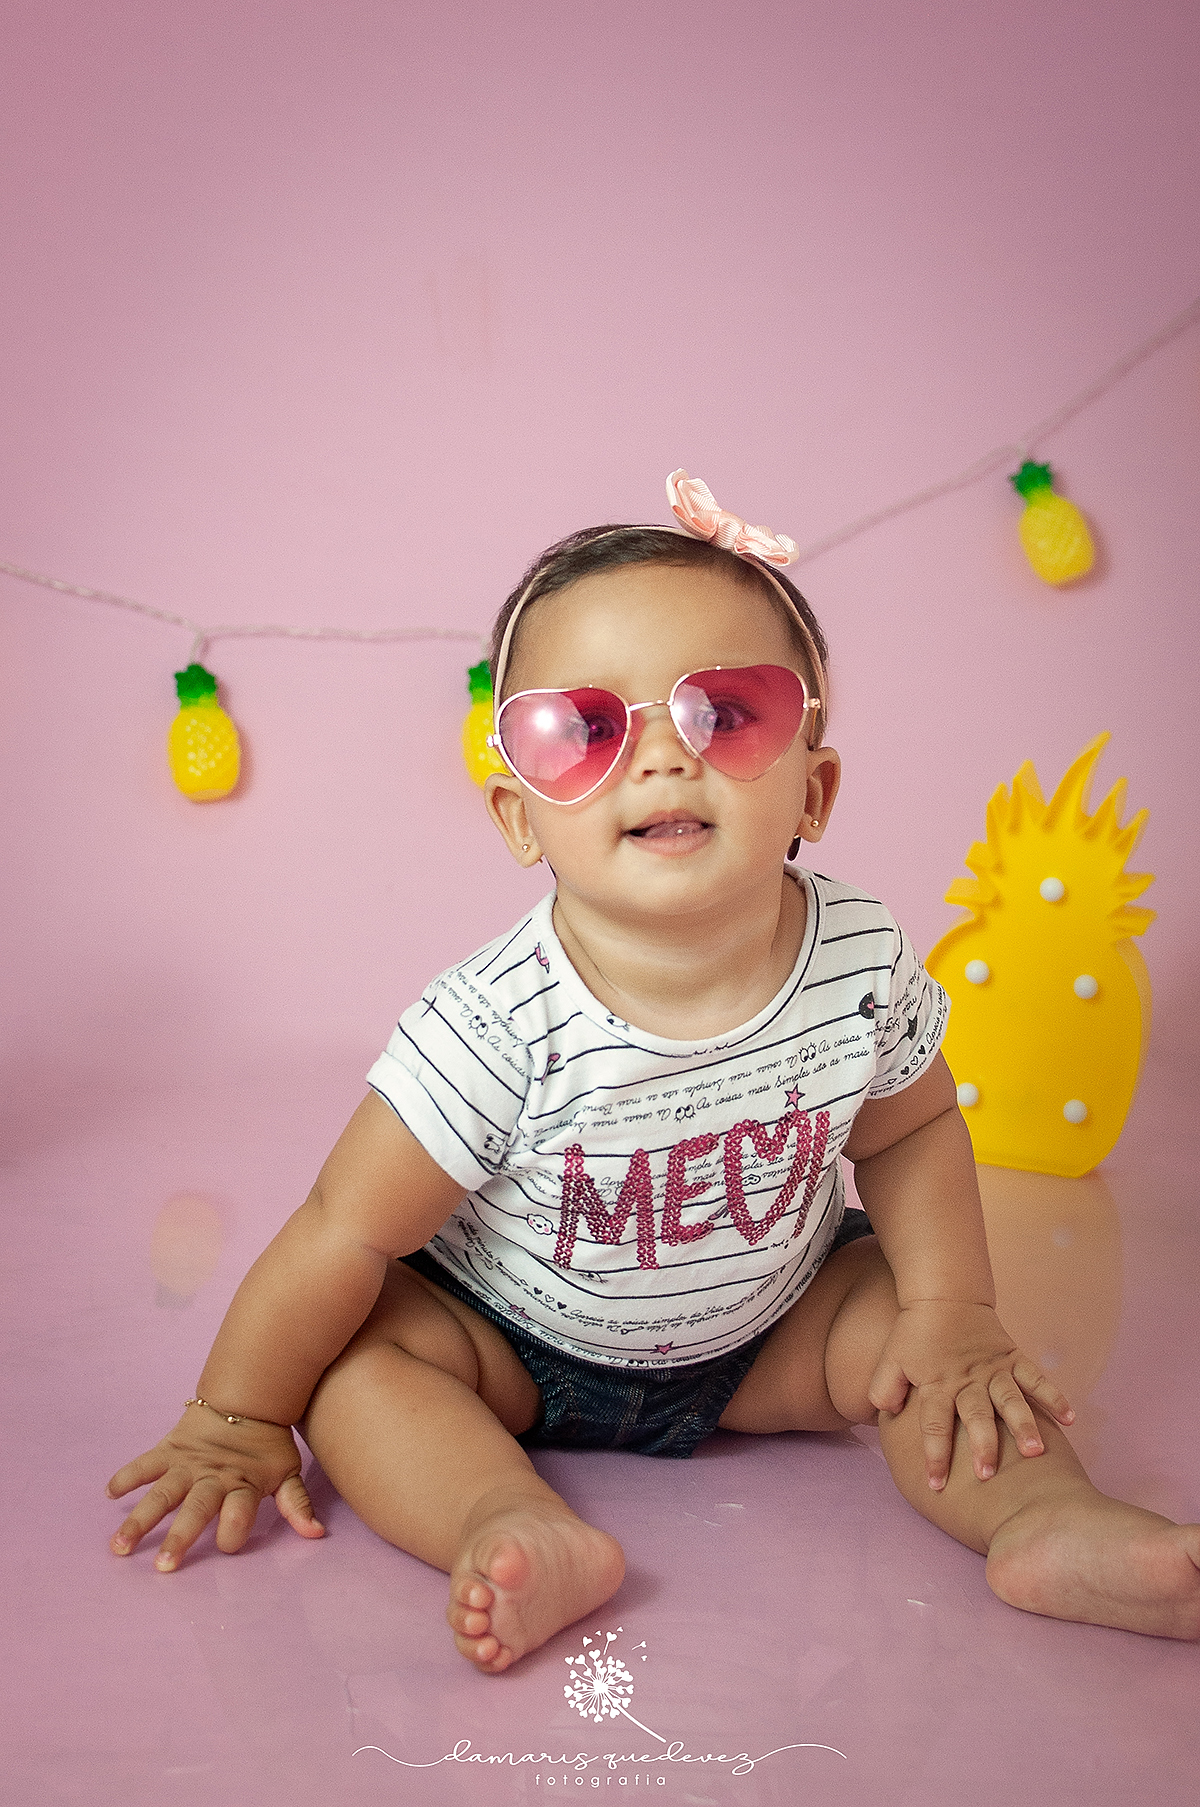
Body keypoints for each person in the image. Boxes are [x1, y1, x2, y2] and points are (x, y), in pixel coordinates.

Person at [108, 471, 1200, 1673]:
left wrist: (951, 1311)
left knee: (917, 1337)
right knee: (361, 1368)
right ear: (520, 819)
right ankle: (505, 1517)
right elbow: (341, 1232)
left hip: (775, 1328)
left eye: (725, 716)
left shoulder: (859, 958)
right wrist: (235, 1413)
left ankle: (1049, 1523)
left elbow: (912, 1130)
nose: (662, 759)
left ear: (815, 791)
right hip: (506, 1341)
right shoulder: (495, 1024)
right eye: (584, 731)